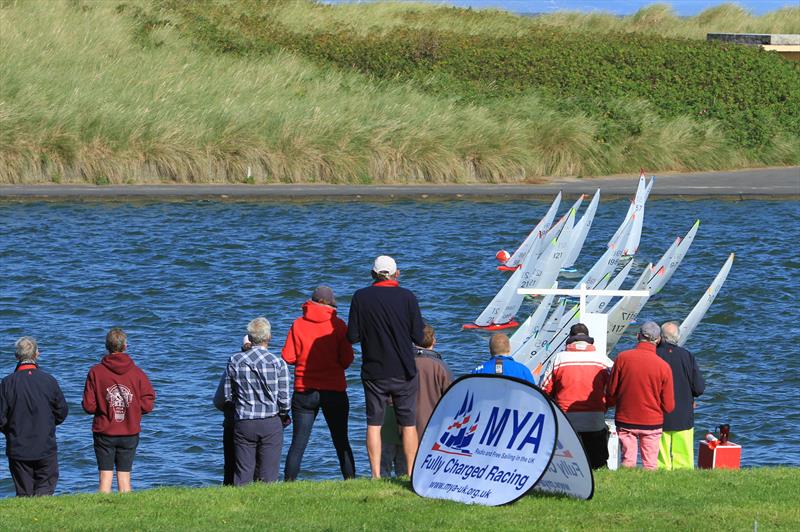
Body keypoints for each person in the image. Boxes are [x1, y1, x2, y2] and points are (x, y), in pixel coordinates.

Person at [347, 255, 425, 478]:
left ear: (373, 274)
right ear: (396, 274)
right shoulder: (407, 297)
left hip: (374, 370)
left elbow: (352, 336)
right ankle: (410, 474)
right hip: (404, 370)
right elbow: (419, 337)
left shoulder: (361, 297)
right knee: (408, 424)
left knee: (374, 422)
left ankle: (375, 475)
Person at [282, 286, 356, 481]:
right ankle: (350, 481)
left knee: (298, 443)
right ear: (331, 304)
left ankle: (288, 484)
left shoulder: (298, 324)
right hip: (334, 390)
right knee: (341, 441)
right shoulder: (338, 326)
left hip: (304, 391)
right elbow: (347, 360)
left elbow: (288, 356)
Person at [82, 328, 156, 493]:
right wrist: (134, 410)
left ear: (107, 346)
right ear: (125, 346)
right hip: (129, 430)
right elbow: (148, 403)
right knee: (125, 479)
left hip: (104, 430)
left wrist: (104, 407)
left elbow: (89, 406)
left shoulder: (96, 372)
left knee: (104, 479)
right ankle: (127, 513)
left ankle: (102, 513)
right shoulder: (137, 373)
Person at [223, 317, 290, 485]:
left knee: (243, 473)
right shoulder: (278, 363)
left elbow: (227, 395)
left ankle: (240, 505)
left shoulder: (235, 360)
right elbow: (284, 400)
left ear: (250, 337)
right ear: (269, 337)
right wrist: (282, 415)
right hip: (270, 421)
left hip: (244, 420)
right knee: (269, 474)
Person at [0, 337, 68, 497]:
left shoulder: (7, 383)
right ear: (37, 354)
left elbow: (1, 418)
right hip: (45, 445)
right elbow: (62, 412)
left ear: (17, 357)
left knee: (24, 494)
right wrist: (48, 425)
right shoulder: (49, 381)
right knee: (45, 492)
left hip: (18, 446)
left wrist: (11, 431)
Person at [541, 323, 613, 469]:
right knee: (597, 463)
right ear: (589, 340)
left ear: (570, 339)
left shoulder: (559, 359)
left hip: (567, 420)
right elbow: (614, 389)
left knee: (567, 462)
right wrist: (604, 406)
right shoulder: (602, 360)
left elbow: (544, 390)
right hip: (595, 419)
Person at [606, 321, 675, 470]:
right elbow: (669, 406)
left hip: (626, 420)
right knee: (650, 464)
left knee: (627, 460)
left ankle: (626, 487)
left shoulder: (622, 358)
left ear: (638, 336)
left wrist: (611, 403)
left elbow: (611, 392)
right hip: (652, 421)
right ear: (658, 340)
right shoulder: (664, 366)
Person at [657, 321, 705, 470]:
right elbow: (699, 388)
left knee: (661, 453)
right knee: (683, 454)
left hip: (659, 411)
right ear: (677, 337)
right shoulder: (687, 356)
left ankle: (662, 471)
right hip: (683, 412)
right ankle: (683, 472)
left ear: (661, 337)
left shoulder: (654, 354)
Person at [214, 334, 252, 485]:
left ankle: (231, 487)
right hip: (264, 421)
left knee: (231, 464)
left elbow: (219, 399)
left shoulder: (233, 364)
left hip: (234, 420)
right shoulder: (270, 363)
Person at [413, 323, 452, 439]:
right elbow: (452, 396)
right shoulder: (441, 367)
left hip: (405, 425)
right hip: (433, 426)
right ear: (433, 341)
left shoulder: (403, 364)